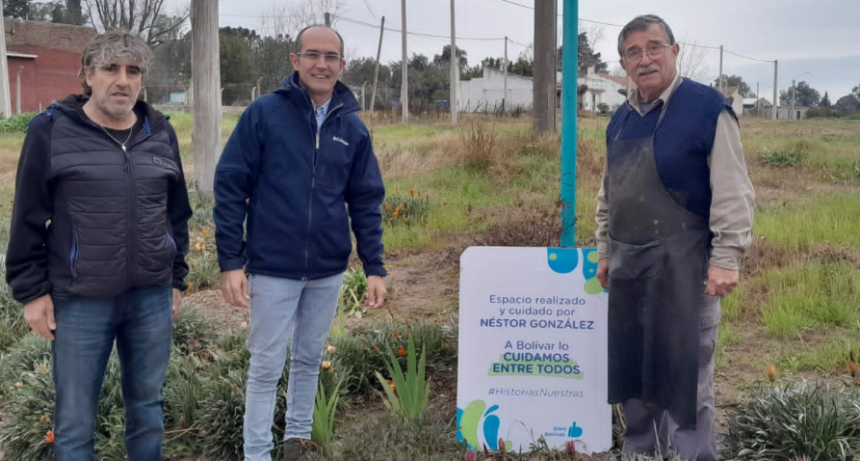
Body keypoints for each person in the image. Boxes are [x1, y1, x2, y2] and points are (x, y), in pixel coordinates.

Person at [5, 30, 192, 461]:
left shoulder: (160, 132)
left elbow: (176, 215)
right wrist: (32, 293)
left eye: (133, 71)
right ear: (87, 74)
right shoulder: (50, 130)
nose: (122, 80)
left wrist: (176, 279)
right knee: (74, 420)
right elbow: (28, 218)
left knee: (147, 409)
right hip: (79, 300)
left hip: (150, 297)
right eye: (110, 68)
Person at [214, 25, 387, 461]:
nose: (321, 64)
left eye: (331, 58)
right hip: (273, 267)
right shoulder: (264, 114)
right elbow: (232, 185)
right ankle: (256, 453)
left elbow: (366, 201)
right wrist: (230, 260)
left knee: (309, 358)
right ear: (295, 60)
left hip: (327, 269)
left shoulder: (353, 127)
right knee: (266, 366)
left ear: (342, 66)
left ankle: (296, 441)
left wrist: (374, 266)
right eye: (312, 55)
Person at [594, 14, 754, 461]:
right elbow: (609, 193)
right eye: (633, 52)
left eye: (654, 47)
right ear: (623, 62)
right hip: (629, 272)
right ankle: (641, 451)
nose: (645, 59)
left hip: (688, 272)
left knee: (685, 378)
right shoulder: (620, 120)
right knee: (633, 372)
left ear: (674, 51)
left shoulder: (706, 109)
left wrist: (726, 257)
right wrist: (604, 252)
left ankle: (693, 456)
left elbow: (733, 189)